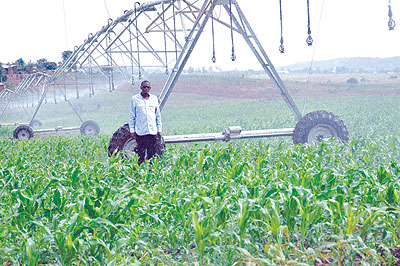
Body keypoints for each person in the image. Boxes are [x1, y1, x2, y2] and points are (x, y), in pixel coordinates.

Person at [129, 80, 162, 165]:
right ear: (141, 88)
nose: (146, 88)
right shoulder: (135, 99)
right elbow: (132, 116)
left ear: (150, 88)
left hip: (152, 132)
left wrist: (159, 129)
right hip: (141, 132)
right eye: (144, 87)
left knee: (152, 156)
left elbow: (157, 115)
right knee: (141, 155)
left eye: (148, 87)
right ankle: (141, 174)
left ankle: (151, 174)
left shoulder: (154, 99)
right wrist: (132, 130)